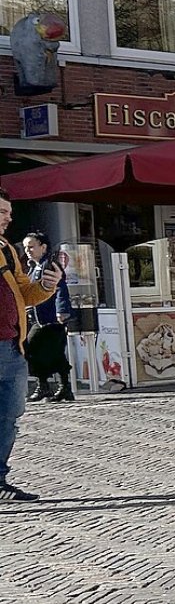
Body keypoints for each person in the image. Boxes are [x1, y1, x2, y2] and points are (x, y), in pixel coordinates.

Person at [0, 191, 64, 500]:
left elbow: (25, 293)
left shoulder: (8, 251)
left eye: (9, 212)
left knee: (9, 416)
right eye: (2, 212)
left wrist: (47, 285)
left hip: (12, 347)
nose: (8, 218)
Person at [22, 232, 74, 403]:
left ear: (43, 247)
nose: (28, 250)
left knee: (33, 347)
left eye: (31, 246)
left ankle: (55, 387)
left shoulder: (50, 266)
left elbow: (60, 288)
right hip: (37, 318)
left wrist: (62, 310)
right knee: (47, 352)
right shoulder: (32, 267)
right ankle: (55, 387)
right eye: (25, 247)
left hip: (50, 318)